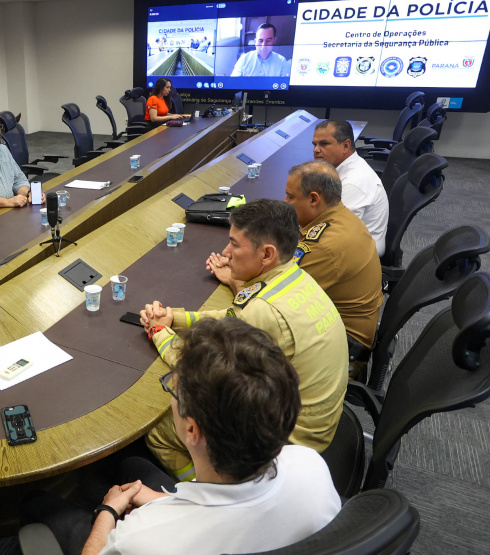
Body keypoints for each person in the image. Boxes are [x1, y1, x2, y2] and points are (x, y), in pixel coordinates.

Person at [21, 319, 341, 555]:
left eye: (172, 388)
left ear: (192, 430)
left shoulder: (144, 540)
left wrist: (108, 512)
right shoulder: (311, 466)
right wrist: (165, 502)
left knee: (42, 504)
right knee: (134, 465)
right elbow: (232, 507)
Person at [139, 199, 348, 481]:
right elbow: (230, 319)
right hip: (315, 423)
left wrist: (157, 332)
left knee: (159, 425)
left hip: (287, 444)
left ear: (266, 254)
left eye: (235, 244)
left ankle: (206, 491)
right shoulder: (292, 279)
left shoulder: (268, 312)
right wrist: (173, 318)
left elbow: (202, 367)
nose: (226, 252)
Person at [284, 160, 383, 376]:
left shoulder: (327, 246)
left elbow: (274, 298)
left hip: (342, 349)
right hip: (339, 329)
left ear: (313, 199)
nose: (285, 201)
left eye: (290, 197)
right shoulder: (340, 215)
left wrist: (237, 279)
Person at [312, 120, 389, 255]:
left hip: (361, 252)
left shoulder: (353, 183)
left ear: (346, 145)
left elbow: (334, 234)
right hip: (349, 240)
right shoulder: (341, 169)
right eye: (315, 144)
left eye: (324, 144)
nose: (316, 150)